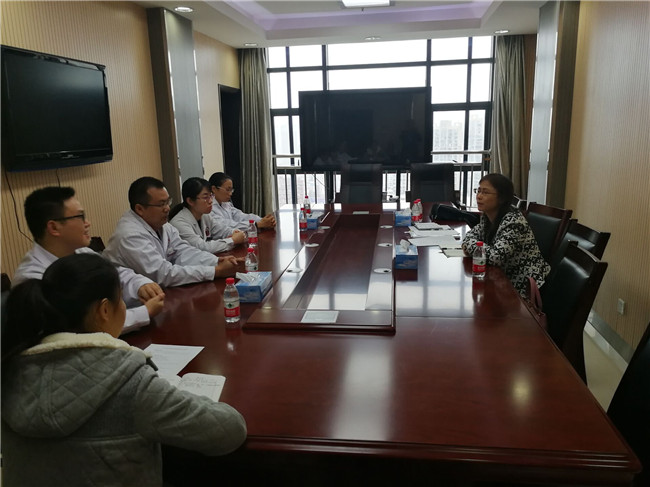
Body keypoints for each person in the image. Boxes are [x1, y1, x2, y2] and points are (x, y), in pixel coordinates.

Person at [1, 253, 247, 486]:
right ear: (104, 310)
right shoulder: (128, 380)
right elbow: (229, 431)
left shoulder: (11, 369)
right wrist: (163, 390)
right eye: (121, 300)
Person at [13, 187, 164, 334]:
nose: (87, 223)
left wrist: (140, 285)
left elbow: (116, 274)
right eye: (80, 217)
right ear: (54, 227)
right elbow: (81, 328)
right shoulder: (32, 277)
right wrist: (144, 313)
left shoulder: (81, 252)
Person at [103, 177, 240, 287]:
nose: (167, 208)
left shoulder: (163, 225)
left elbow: (183, 251)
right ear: (139, 209)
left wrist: (216, 261)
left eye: (168, 202)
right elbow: (163, 274)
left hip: (159, 293)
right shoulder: (130, 235)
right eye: (161, 204)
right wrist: (215, 271)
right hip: (130, 304)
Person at [462, 173, 550, 296]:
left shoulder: (513, 222)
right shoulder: (488, 216)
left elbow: (495, 257)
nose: (479, 196)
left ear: (501, 198)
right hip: (502, 280)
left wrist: (473, 247)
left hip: (522, 287)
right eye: (478, 191)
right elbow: (469, 236)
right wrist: (476, 246)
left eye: (485, 192)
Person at [169, 177, 247, 253]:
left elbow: (221, 230)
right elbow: (202, 247)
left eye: (211, 196)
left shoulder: (204, 216)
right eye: (205, 197)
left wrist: (235, 232)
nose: (210, 201)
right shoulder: (179, 223)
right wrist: (232, 240)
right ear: (190, 201)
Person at [209, 172, 276, 235]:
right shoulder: (209, 208)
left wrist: (263, 220)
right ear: (214, 189)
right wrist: (256, 224)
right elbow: (228, 225)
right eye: (227, 190)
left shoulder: (226, 204)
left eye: (231, 190)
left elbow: (242, 216)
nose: (230, 193)